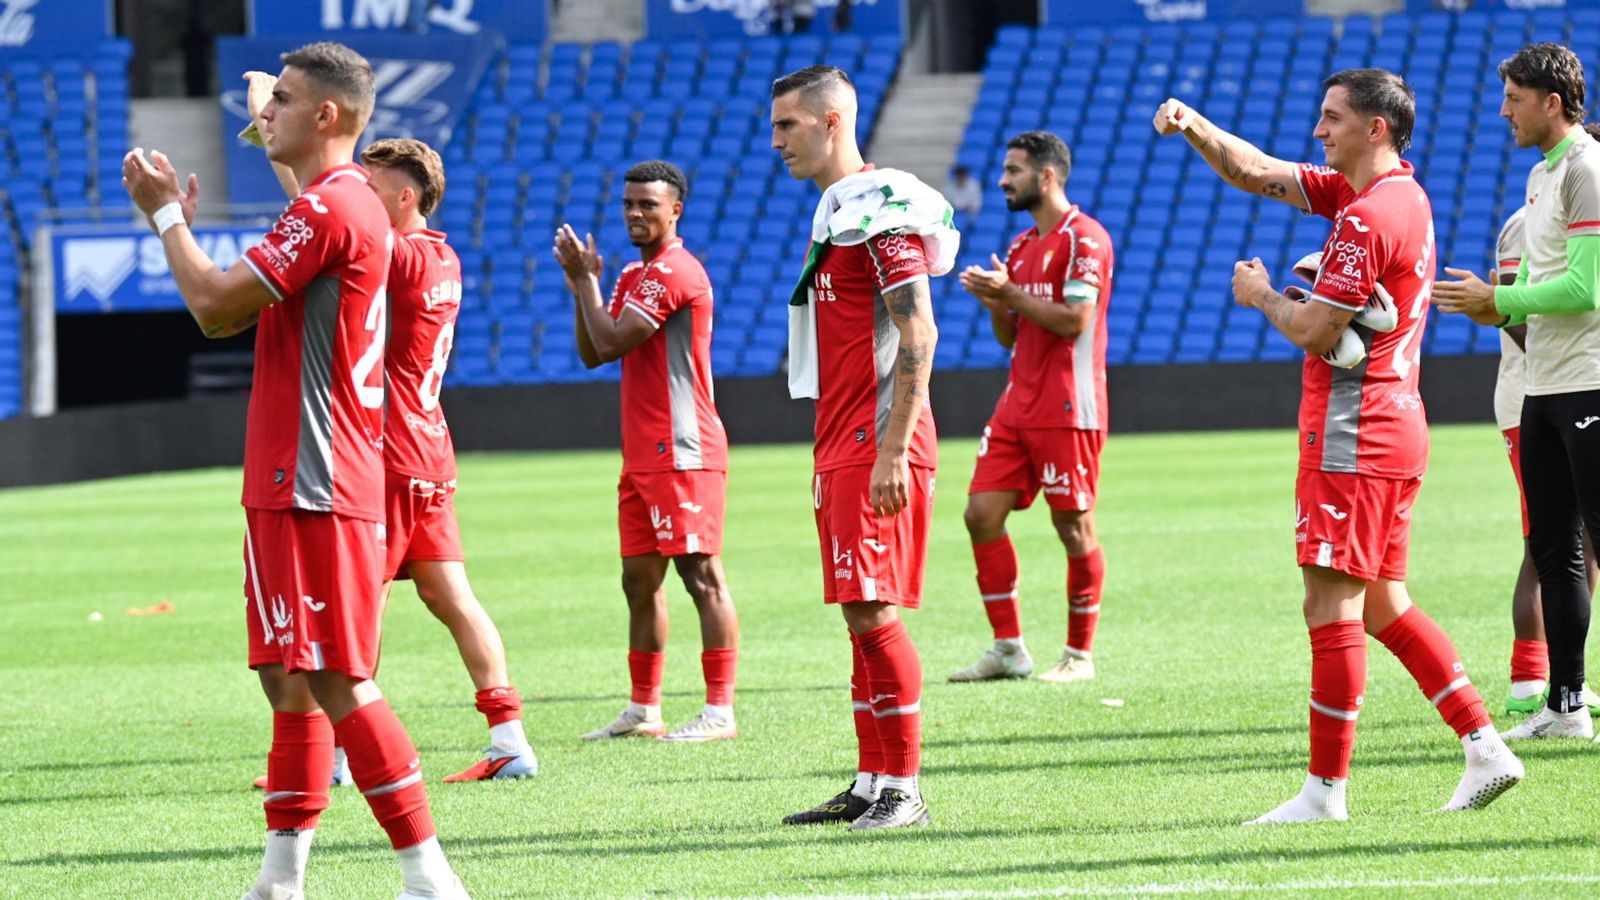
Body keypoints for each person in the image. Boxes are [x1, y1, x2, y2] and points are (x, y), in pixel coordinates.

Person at [122, 41, 467, 898]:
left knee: (337, 676)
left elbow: (212, 308)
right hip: (289, 473)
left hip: (318, 475)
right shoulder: (335, 203)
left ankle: (430, 878)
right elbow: (240, 311)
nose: (264, 112)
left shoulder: (334, 205)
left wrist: (166, 219)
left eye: (280, 98)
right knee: (290, 680)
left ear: (326, 114)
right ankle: (280, 881)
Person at [1153, 67, 1521, 823]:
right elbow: (1254, 171)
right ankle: (1485, 748)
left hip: (1355, 431)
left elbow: (1319, 331)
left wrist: (1262, 295)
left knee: (1330, 605)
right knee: (1384, 604)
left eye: (1332, 117)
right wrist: (1193, 123)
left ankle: (1325, 793)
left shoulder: (1365, 218)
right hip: (1394, 423)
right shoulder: (1395, 197)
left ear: (1374, 128)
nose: (1318, 130)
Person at [241, 73, 540, 784]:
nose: (357, 196)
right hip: (431, 450)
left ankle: (339, 754)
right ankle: (509, 737)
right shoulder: (443, 257)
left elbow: (313, 205)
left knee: (355, 605)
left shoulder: (396, 258)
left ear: (404, 198)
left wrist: (267, 124)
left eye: (371, 187)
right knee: (452, 597)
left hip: (385, 455)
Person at [769, 64, 958, 830]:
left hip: (877, 440)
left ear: (832, 122)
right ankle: (872, 779)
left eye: (788, 124)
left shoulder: (884, 212)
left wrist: (892, 450)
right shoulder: (840, 212)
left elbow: (920, 331)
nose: (776, 140)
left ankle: (905, 791)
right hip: (840, 437)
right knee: (857, 613)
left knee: (875, 611)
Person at [1436, 43, 1600, 741]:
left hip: (1591, 382)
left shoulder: (1587, 168)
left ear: (1551, 102)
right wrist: (1492, 305)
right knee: (1554, 551)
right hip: (1544, 387)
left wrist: (1499, 298)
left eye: (1514, 98)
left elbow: (1585, 287)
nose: (1504, 111)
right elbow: (1537, 285)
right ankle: (1565, 706)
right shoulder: (1542, 174)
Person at [552, 160, 742, 743]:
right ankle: (644, 710)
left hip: (683, 447)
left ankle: (719, 712)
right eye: (629, 204)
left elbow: (611, 340)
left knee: (701, 575)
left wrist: (585, 282)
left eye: (648, 205)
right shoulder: (635, 273)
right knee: (639, 579)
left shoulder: (676, 271)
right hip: (642, 452)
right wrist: (582, 289)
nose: (635, 213)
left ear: (675, 210)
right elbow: (593, 351)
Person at [949, 130, 1113, 684]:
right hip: (1017, 403)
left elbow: (1075, 321)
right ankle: (1009, 649)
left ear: (1046, 175)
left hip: (1068, 404)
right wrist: (996, 303)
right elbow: (1011, 336)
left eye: (1013, 170)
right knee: (980, 515)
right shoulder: (1021, 247)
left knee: (1072, 526)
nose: (1003, 181)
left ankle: (1079, 656)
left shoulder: (1085, 239)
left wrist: (1010, 294)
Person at [1485, 124, 1600, 716]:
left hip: (1566, 386)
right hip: (1537, 393)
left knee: (1571, 545)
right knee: (1552, 545)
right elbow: (1515, 309)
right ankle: (1537, 681)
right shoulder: (1527, 218)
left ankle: (1558, 685)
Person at [946, 164, 983, 228]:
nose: (961, 178)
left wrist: (967, 208)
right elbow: (948, 204)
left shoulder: (974, 186)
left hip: (970, 215)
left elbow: (977, 204)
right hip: (954, 215)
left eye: (962, 175)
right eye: (959, 175)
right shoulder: (949, 188)